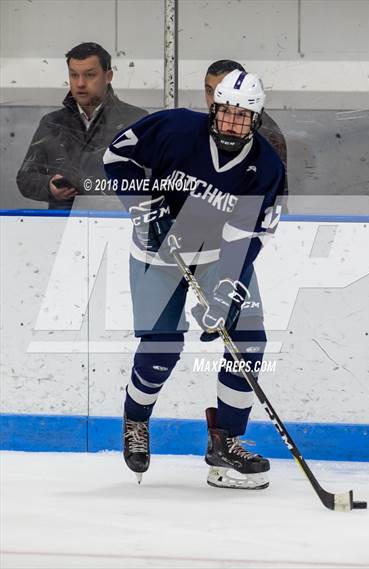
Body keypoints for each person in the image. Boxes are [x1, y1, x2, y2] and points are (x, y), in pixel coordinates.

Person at [104, 70, 285, 490]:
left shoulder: (266, 167)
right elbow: (116, 158)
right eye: (225, 114)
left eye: (242, 118)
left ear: (256, 121)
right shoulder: (175, 128)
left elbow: (251, 235)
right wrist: (142, 205)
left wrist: (225, 288)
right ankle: (136, 418)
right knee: (162, 346)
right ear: (213, 108)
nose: (231, 124)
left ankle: (226, 443)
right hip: (155, 252)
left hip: (218, 256)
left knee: (249, 341)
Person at [16, 42, 147, 210]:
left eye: (90, 75)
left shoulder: (136, 120)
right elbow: (25, 178)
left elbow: (154, 178)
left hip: (116, 224)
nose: (80, 83)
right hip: (63, 227)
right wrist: (49, 185)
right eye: (73, 75)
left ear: (108, 76)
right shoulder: (52, 123)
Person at [205, 59, 288, 187]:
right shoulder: (205, 125)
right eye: (210, 91)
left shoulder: (267, 135)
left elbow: (277, 192)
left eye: (221, 90)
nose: (215, 99)